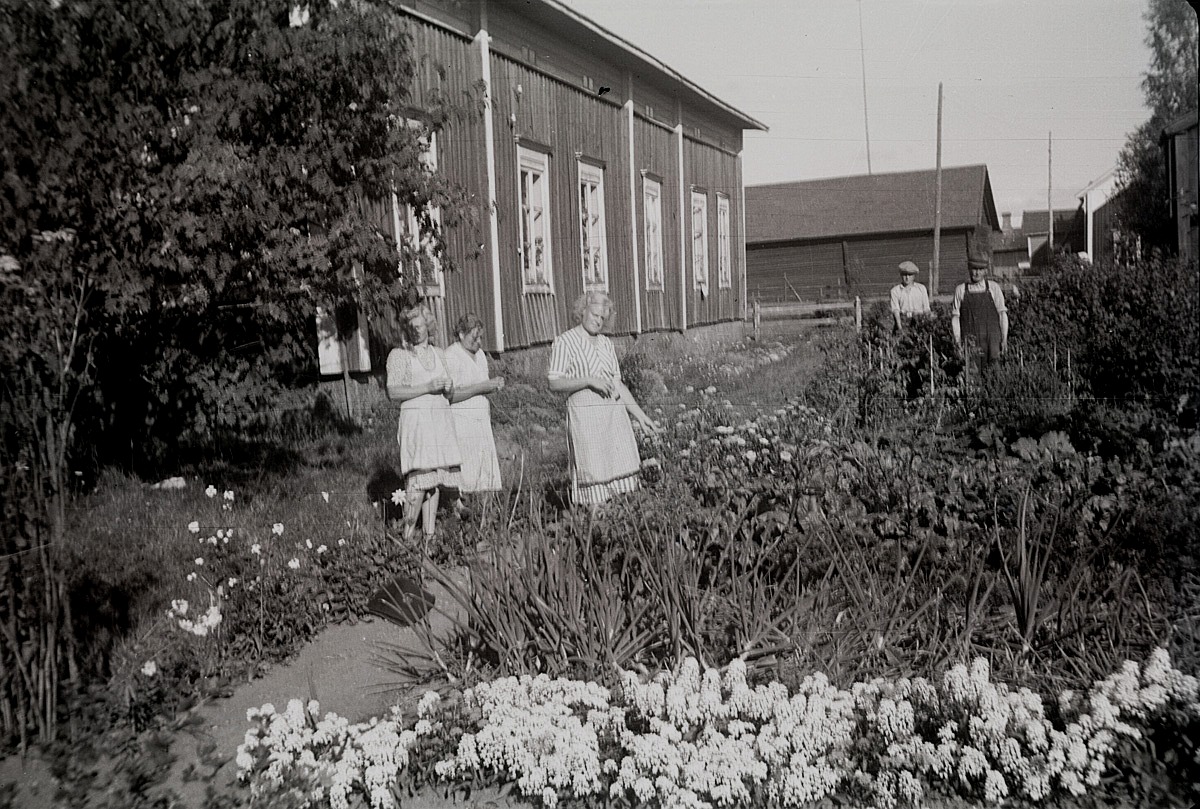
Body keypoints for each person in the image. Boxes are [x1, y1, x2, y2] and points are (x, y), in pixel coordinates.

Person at [547, 291, 661, 507]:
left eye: (602, 318)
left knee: (619, 474)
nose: (598, 321)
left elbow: (618, 385)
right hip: (587, 417)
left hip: (613, 418)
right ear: (582, 311)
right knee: (593, 472)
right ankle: (594, 528)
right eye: (594, 315)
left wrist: (640, 415)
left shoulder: (606, 344)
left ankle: (615, 527)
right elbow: (554, 382)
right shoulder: (565, 342)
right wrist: (589, 380)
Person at [385, 306, 462, 541]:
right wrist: (427, 387)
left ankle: (430, 539)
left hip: (439, 420)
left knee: (435, 479)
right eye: (411, 327)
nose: (416, 331)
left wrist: (448, 389)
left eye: (420, 326)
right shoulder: (400, 355)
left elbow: (451, 394)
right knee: (418, 480)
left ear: (428, 326)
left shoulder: (439, 353)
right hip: (416, 422)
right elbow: (393, 392)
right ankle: (406, 538)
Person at [444, 313, 504, 495]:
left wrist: (493, 386)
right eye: (474, 337)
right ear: (461, 334)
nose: (478, 342)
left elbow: (483, 385)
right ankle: (462, 505)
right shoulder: (452, 355)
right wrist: (482, 387)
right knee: (467, 469)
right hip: (461, 420)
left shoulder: (480, 356)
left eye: (480, 338)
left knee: (483, 469)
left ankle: (483, 508)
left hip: (480, 419)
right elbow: (450, 396)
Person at [951, 249, 1008, 373]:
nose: (976, 273)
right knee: (972, 373)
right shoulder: (960, 290)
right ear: (969, 269)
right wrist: (957, 342)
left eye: (980, 269)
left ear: (985, 271)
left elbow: (1002, 315)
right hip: (971, 341)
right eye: (974, 269)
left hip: (992, 340)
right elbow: (955, 319)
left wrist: (1004, 339)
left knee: (994, 374)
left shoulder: (993, 288)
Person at [890, 260, 931, 332]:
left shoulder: (921, 288)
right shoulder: (895, 291)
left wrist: (926, 324)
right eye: (904, 274)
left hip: (919, 320)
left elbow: (926, 308)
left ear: (914, 276)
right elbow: (895, 310)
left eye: (910, 275)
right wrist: (900, 328)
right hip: (904, 321)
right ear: (901, 275)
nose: (907, 277)